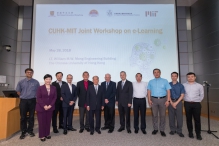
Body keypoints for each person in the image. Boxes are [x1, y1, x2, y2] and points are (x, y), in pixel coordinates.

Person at [16, 68, 40, 139]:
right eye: (28, 72)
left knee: (31, 117)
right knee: (23, 117)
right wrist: (24, 96)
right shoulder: (21, 82)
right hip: (23, 101)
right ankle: (23, 131)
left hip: (32, 101)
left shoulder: (36, 82)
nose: (29, 73)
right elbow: (18, 91)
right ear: (25, 73)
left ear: (32, 73)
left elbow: (38, 92)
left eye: (30, 72)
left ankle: (30, 130)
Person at [147, 68, 171, 137]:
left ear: (160, 73)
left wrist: (168, 100)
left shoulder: (165, 81)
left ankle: (162, 130)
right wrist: (149, 100)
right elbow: (149, 91)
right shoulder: (151, 81)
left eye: (158, 72)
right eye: (155, 72)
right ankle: (155, 129)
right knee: (154, 115)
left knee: (162, 115)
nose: (156, 73)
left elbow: (168, 91)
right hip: (153, 99)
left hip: (163, 100)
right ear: (153, 73)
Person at [183, 72, 204, 140]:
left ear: (195, 77)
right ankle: (190, 133)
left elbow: (202, 95)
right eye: (188, 77)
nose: (190, 78)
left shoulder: (199, 86)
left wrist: (197, 101)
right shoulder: (183, 85)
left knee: (197, 120)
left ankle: (198, 134)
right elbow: (182, 94)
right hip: (187, 103)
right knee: (188, 119)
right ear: (187, 78)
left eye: (192, 76)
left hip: (196, 104)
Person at [36, 74, 57, 142]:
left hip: (50, 107)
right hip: (41, 108)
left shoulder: (54, 88)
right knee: (41, 122)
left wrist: (50, 105)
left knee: (48, 121)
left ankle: (47, 134)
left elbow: (55, 97)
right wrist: (44, 106)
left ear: (51, 80)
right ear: (44, 80)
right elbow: (38, 98)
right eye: (47, 79)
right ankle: (42, 135)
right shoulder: (40, 88)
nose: (48, 80)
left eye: (49, 79)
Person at [168, 72, 185, 137]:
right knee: (171, 117)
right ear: (171, 77)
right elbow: (167, 94)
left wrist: (176, 103)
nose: (174, 77)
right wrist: (172, 103)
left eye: (175, 76)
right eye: (172, 76)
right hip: (170, 102)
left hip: (178, 102)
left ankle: (179, 131)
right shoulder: (168, 84)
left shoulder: (181, 85)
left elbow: (182, 95)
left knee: (179, 117)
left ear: (177, 77)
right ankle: (172, 130)